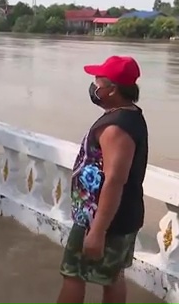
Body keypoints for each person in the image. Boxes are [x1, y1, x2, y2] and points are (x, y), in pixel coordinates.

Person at [57, 56, 148, 304]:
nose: (94, 86)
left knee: (73, 274)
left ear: (112, 90)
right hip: (120, 216)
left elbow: (114, 181)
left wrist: (97, 231)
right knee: (112, 276)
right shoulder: (130, 115)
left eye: (98, 81)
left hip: (101, 219)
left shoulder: (116, 128)